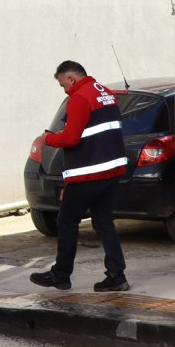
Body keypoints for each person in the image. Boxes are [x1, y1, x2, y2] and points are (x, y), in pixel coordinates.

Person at [30, 60, 130, 293]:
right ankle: (117, 276)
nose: (64, 90)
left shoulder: (79, 98)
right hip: (111, 171)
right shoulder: (106, 93)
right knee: (104, 222)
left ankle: (61, 275)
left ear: (71, 78)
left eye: (63, 85)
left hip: (88, 173)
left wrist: (48, 138)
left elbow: (71, 138)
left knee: (66, 222)